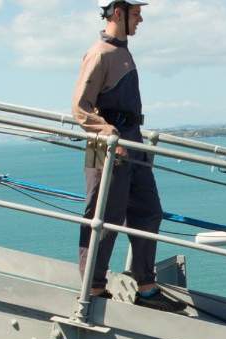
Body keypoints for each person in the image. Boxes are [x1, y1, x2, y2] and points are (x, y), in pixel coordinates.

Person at [70, 0, 173, 310]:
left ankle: (146, 286)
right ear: (118, 12)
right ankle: (95, 286)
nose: (140, 18)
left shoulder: (122, 51)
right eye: (136, 12)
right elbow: (80, 107)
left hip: (133, 141)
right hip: (108, 145)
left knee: (148, 210)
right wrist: (107, 132)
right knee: (104, 215)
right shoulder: (100, 54)